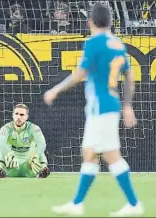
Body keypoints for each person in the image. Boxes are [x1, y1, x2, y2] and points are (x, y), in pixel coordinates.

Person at [44, 3, 144, 217]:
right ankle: (78, 203)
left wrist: (55, 90)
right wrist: (127, 106)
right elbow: (129, 75)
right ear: (109, 21)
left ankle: (133, 204)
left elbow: (80, 74)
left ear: (90, 22)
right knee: (92, 154)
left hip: (101, 106)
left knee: (108, 156)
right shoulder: (117, 44)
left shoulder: (94, 43)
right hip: (108, 105)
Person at [0, 104, 50, 178]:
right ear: (13, 115)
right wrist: (9, 153)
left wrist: (35, 156)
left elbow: (42, 143)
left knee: (39, 150)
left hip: (29, 164)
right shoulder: (6, 128)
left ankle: (43, 169)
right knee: (2, 150)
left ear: (27, 117)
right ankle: (0, 168)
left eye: (22, 115)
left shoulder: (34, 128)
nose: (18, 117)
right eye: (16, 114)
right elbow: (0, 143)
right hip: (12, 164)